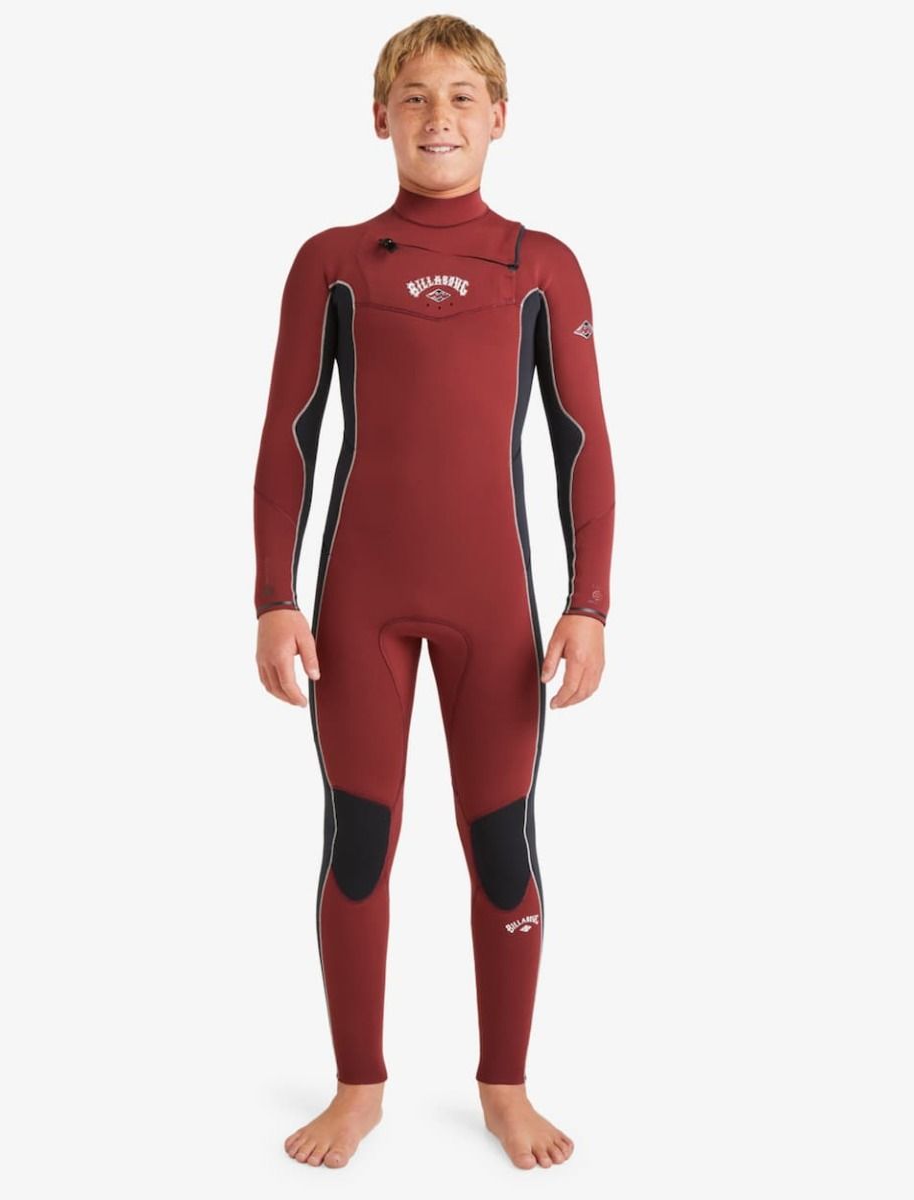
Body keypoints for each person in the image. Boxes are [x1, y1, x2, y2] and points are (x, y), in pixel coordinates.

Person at [253, 14, 615, 1171]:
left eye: (462, 96)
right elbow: (290, 436)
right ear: (380, 119)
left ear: (500, 117)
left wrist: (589, 605)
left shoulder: (540, 266)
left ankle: (504, 1086)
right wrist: (274, 595)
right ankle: (358, 1086)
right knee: (357, 840)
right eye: (414, 97)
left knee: (503, 844)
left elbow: (582, 446)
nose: (438, 117)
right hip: (354, 602)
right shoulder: (334, 262)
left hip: (496, 610)